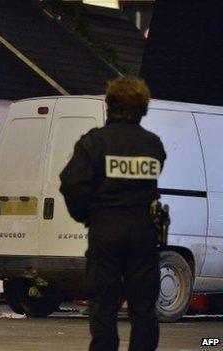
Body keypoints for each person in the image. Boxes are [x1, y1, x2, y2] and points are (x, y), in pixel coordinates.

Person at [59, 76, 166, 351]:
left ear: (109, 105)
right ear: (143, 108)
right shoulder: (153, 145)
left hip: (106, 229)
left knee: (104, 304)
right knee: (143, 307)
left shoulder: (95, 143)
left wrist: (86, 215)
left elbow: (72, 183)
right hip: (144, 231)